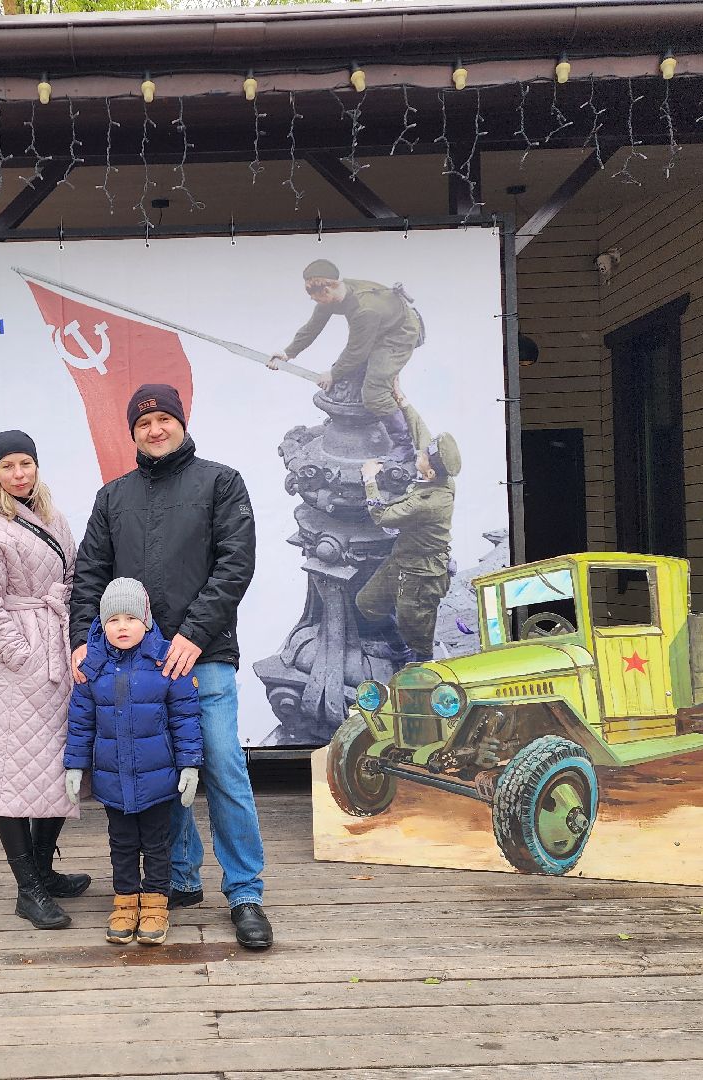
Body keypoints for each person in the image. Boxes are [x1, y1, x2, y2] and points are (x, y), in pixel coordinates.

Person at [70, 383, 273, 950]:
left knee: (223, 768)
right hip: (133, 669)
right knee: (160, 775)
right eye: (142, 423)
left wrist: (192, 633)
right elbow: (90, 574)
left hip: (201, 658)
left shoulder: (221, 482)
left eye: (163, 418)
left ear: (181, 422)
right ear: (131, 433)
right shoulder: (113, 498)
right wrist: (82, 638)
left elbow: (236, 564)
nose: (154, 429)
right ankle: (179, 879)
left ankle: (245, 893)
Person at [0, 429, 90, 931]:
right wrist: (22, 655)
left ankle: (41, 867)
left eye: (26, 463)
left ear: (37, 466)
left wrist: (69, 638)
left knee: (61, 763)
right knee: (14, 771)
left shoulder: (54, 519)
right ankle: (26, 888)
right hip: (15, 669)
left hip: (58, 653)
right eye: (8, 465)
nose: (19, 473)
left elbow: (74, 577)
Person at [64, 577, 203, 946]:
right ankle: (125, 902)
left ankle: (156, 903)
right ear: (102, 624)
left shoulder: (165, 662)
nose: (121, 626)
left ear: (146, 620)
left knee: (157, 843)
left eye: (130, 618)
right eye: (113, 619)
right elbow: (80, 722)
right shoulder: (91, 668)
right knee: (122, 843)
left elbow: (184, 718)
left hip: (158, 781)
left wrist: (190, 764)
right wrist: (75, 765)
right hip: (113, 781)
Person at [268, 259, 426, 462]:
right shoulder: (335, 294)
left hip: (397, 333)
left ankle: (403, 446)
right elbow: (312, 327)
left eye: (317, 298)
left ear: (327, 289)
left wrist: (333, 373)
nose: (317, 303)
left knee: (375, 392)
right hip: (377, 327)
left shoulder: (364, 310)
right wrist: (287, 353)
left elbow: (356, 351)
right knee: (350, 375)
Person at [356, 433, 462, 664]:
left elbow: (381, 516)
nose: (419, 454)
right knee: (367, 603)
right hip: (403, 560)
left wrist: (369, 479)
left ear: (431, 473)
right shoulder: (442, 481)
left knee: (419, 633)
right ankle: (399, 648)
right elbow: (420, 431)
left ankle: (420, 666)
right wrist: (402, 402)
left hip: (421, 575)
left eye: (423, 456)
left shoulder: (426, 503)